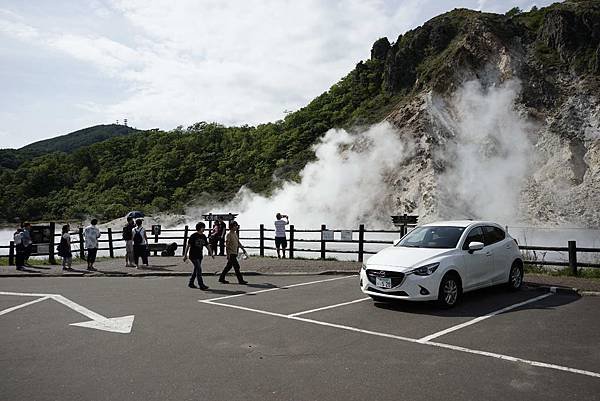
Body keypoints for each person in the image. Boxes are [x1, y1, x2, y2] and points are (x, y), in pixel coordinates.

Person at [183, 222, 213, 290]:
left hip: (199, 255)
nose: (204, 229)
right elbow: (188, 246)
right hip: (193, 255)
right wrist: (185, 255)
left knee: (196, 269)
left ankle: (191, 283)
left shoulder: (203, 236)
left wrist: (211, 253)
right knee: (199, 269)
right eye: (203, 227)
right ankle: (201, 285)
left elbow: (207, 245)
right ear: (199, 228)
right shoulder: (193, 236)